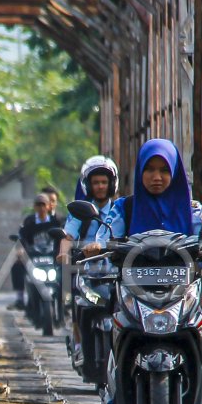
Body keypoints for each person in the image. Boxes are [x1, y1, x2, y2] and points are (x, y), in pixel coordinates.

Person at [86, 139, 202, 404]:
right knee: (119, 332)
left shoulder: (191, 209)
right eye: (149, 169)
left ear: (175, 173)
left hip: (180, 291)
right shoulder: (124, 209)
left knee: (198, 332)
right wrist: (96, 247)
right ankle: (113, 396)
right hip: (134, 291)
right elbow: (104, 238)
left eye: (164, 170)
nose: (156, 176)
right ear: (139, 172)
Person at [57, 156, 119, 367]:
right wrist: (64, 253)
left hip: (116, 274)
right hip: (88, 273)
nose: (100, 187)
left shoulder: (120, 209)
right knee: (80, 306)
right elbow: (68, 235)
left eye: (104, 182)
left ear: (111, 184)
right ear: (88, 186)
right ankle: (80, 345)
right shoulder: (80, 211)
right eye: (96, 183)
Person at [10, 193, 62, 309]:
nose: (41, 208)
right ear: (34, 207)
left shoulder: (56, 221)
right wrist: (20, 251)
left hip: (53, 256)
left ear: (49, 206)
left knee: (67, 269)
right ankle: (20, 298)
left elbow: (63, 237)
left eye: (43, 204)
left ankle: (66, 300)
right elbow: (21, 237)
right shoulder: (29, 221)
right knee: (17, 266)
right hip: (34, 256)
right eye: (38, 205)